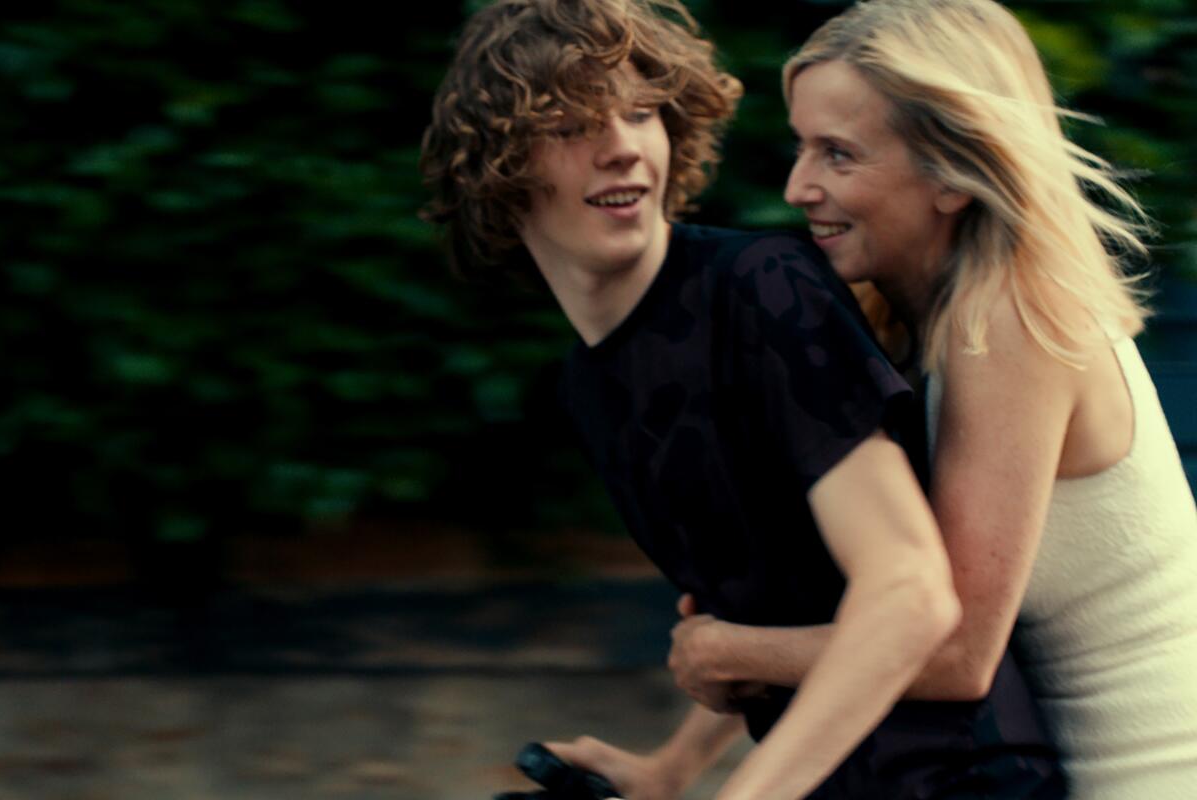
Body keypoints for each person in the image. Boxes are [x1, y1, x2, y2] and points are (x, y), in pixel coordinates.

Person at [420, 1, 1064, 797]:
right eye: (571, 124)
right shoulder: (589, 384)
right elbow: (777, 606)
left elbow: (908, 593)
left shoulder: (762, 287)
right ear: (498, 165)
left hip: (961, 781)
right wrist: (672, 769)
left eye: (642, 113)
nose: (622, 147)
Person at [665, 0, 1197, 797]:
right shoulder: (905, 318)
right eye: (801, 147)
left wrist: (729, 650)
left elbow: (952, 656)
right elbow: (859, 600)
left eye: (839, 155)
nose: (798, 187)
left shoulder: (1010, 321)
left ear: (954, 174)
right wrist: (668, 770)